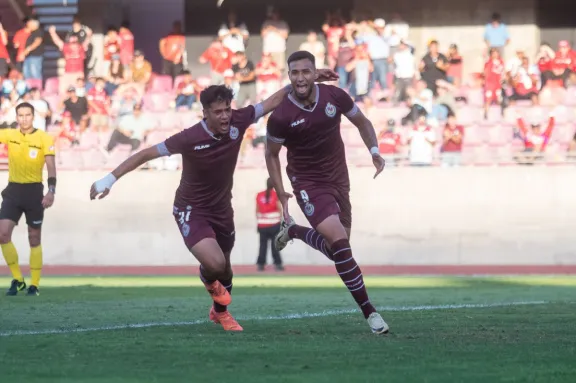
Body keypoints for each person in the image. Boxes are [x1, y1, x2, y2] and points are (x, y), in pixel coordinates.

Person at [89, 68, 338, 331]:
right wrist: (109, 179)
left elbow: (270, 103)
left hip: (222, 209)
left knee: (227, 271)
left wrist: (305, 81)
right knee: (215, 264)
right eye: (218, 112)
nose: (225, 116)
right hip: (191, 209)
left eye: (227, 110)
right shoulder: (189, 137)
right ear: (205, 113)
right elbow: (145, 155)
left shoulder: (238, 121)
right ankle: (209, 281)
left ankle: (220, 312)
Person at [265, 50, 389, 334]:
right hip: (308, 182)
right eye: (294, 73)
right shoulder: (281, 115)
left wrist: (374, 152)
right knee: (340, 243)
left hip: (339, 179)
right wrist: (282, 192)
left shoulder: (335, 96)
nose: (300, 78)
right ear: (288, 76)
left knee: (338, 252)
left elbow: (363, 122)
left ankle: (293, 232)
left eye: (305, 71)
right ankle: (371, 313)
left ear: (315, 72)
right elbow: (271, 155)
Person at [0, 103, 56, 296]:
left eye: (27, 115)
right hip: (13, 190)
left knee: (34, 238)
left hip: (34, 192)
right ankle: (18, 279)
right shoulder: (9, 135)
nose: (24, 118)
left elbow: (51, 166)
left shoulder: (44, 138)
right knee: (2, 234)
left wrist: (51, 191)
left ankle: (35, 284)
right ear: (16, 117)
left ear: (33, 116)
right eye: (21, 115)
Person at [255, 178, 283, 271]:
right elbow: (279, 209)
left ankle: (260, 265)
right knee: (275, 245)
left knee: (262, 245)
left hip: (262, 225)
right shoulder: (276, 195)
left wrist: (260, 221)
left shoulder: (259, 195)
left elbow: (257, 210)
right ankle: (278, 264)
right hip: (274, 224)